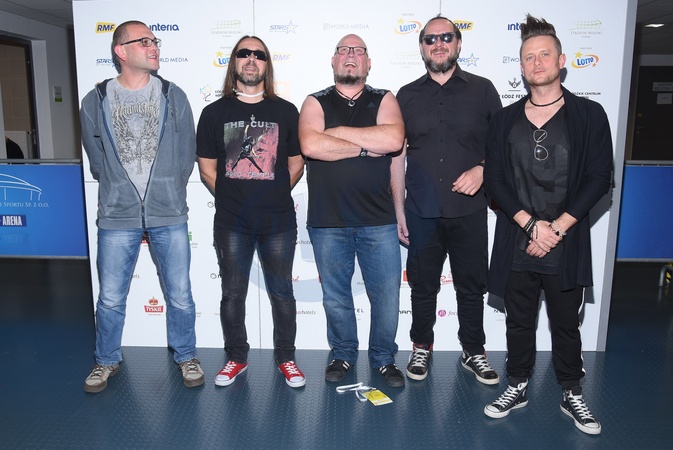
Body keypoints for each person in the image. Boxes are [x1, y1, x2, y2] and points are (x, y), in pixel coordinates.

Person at [483, 15, 612, 435]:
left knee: (565, 325)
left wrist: (554, 229)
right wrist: (530, 226)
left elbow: (599, 178)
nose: (537, 63)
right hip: (518, 239)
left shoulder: (589, 114)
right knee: (518, 322)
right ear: (521, 67)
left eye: (544, 55)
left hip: (565, 241)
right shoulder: (503, 120)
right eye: (529, 57)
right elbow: (495, 180)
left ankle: (571, 391)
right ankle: (517, 384)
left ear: (561, 60)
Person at [79, 20, 203, 393]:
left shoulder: (173, 95)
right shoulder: (96, 99)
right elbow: (97, 159)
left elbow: (186, 154)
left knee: (179, 294)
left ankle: (187, 356)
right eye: (144, 41)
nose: (154, 46)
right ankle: (106, 360)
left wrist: (167, 189)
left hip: (169, 212)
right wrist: (119, 189)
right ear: (121, 51)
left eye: (154, 40)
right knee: (110, 297)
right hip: (117, 215)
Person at [395, 16, 502, 383]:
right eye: (430, 39)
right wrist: (398, 208)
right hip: (420, 209)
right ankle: (421, 346)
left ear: (458, 43)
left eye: (445, 37)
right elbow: (397, 155)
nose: (438, 44)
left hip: (469, 210)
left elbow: (502, 146)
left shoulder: (483, 90)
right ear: (421, 46)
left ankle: (473, 351)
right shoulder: (405, 96)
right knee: (422, 286)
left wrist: (483, 170)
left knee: (471, 287)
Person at [196, 35, 306, 388]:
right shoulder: (214, 113)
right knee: (232, 294)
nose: (251, 59)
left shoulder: (286, 111)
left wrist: (275, 191)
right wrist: (234, 197)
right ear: (234, 62)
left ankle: (286, 359)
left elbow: (296, 163)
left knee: (282, 293)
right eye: (244, 53)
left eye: (259, 54)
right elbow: (207, 169)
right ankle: (236, 358)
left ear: (266, 64)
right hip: (232, 222)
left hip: (278, 221)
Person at [298, 34, 406, 388]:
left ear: (368, 63)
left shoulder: (384, 98)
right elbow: (311, 145)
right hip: (328, 221)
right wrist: (364, 147)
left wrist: (339, 133)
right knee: (336, 298)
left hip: (379, 220)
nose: (350, 55)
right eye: (343, 50)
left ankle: (384, 358)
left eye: (358, 51)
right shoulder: (315, 101)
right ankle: (343, 353)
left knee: (387, 298)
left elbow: (393, 141)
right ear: (333, 60)